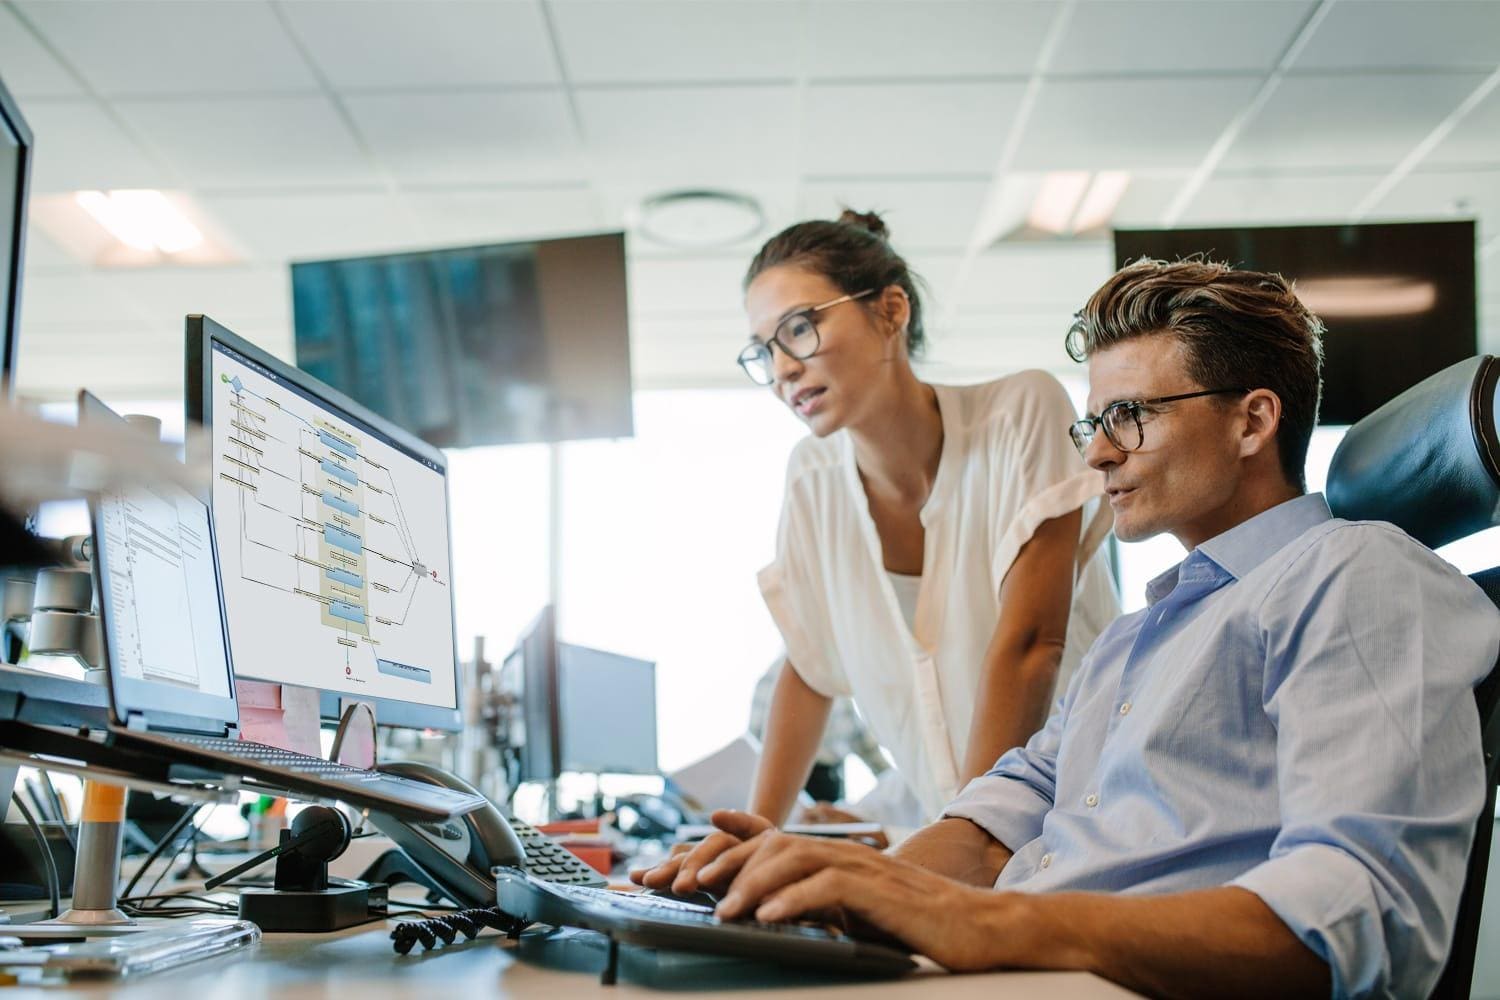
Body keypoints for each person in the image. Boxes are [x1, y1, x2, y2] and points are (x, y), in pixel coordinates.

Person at [636, 258, 1500, 998]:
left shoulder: (1355, 576)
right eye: (1095, 421)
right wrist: (838, 878)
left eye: (1130, 416)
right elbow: (994, 824)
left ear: (1253, 419)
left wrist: (988, 921)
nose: (1093, 453)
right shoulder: (1136, 637)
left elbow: (1359, 917)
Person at [738, 210, 1118, 827]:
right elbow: (809, 671)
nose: (782, 369)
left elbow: (1032, 647)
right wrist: (753, 834)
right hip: (965, 841)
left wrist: (962, 839)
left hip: (1094, 820)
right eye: (764, 351)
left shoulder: (1020, 412)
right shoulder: (812, 478)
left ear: (891, 311)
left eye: (800, 329)